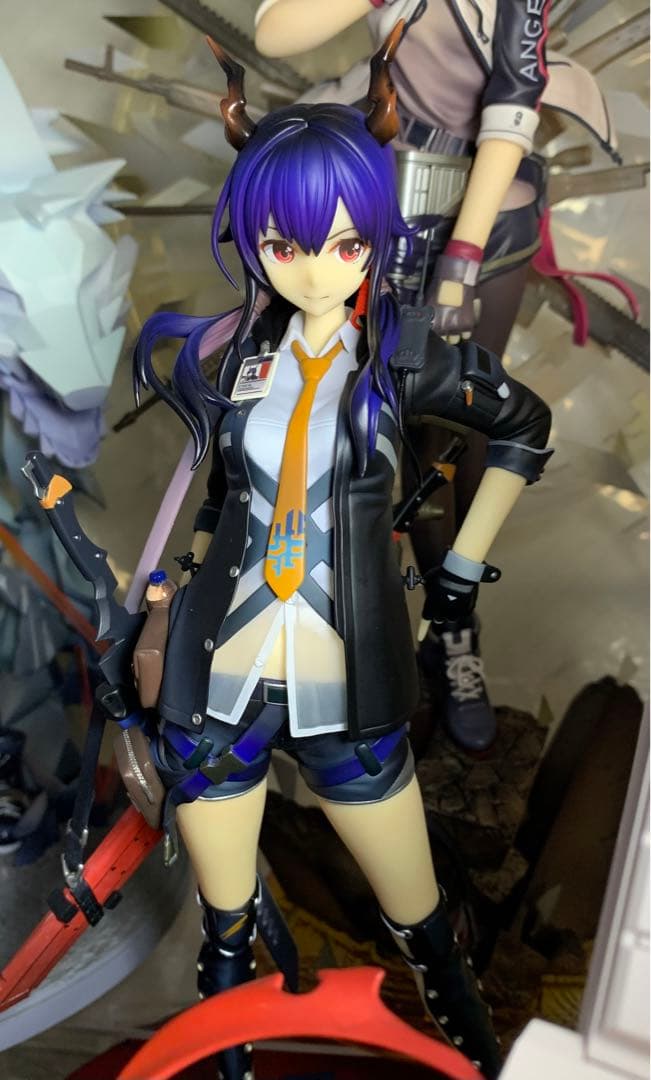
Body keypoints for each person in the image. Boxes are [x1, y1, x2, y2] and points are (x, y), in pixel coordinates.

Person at [133, 28, 552, 1080]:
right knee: (224, 938)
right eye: (285, 244)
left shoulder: (403, 359)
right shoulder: (231, 359)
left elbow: (523, 426)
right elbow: (222, 493)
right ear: (255, 242)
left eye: (344, 243)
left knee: (424, 929)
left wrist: (460, 573)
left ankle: (476, 1057)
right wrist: (179, 583)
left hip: (347, 685)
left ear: (373, 238)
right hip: (219, 686)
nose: (315, 269)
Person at [255, 0, 619, 751]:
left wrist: (460, 262)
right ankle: (338, 621)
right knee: (349, 411)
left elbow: (511, 112)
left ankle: (453, 627)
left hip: (480, 215)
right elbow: (274, 32)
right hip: (376, 197)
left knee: (456, 430)